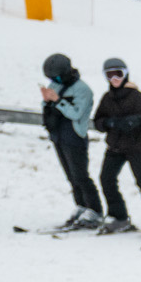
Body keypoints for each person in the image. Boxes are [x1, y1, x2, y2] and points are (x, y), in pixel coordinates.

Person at [90, 57, 141, 234]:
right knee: (106, 180)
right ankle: (119, 217)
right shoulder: (107, 98)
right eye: (109, 75)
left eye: (118, 74)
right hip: (114, 149)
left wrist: (140, 120)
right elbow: (98, 122)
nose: (114, 79)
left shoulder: (138, 98)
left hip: (136, 149)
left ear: (125, 74)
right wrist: (108, 123)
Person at [38, 53, 101, 230]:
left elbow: (76, 114)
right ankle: (81, 206)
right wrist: (46, 100)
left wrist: (57, 101)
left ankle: (95, 210)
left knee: (81, 175)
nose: (55, 80)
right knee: (71, 176)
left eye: (57, 77)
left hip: (74, 136)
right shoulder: (55, 85)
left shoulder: (83, 90)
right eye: (52, 78)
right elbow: (46, 107)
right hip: (58, 135)